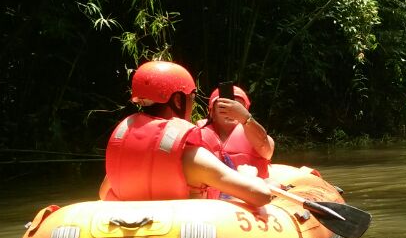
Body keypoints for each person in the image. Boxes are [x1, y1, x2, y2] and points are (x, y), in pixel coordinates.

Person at [100, 60, 273, 207]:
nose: (192, 101)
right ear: (177, 100)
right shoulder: (192, 157)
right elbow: (261, 195)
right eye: (191, 96)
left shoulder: (125, 148)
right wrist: (247, 176)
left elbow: (103, 194)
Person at [197, 83, 275, 181]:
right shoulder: (199, 134)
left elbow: (267, 151)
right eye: (223, 107)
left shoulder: (254, 132)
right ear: (212, 113)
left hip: (254, 188)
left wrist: (245, 118)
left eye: (236, 107)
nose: (230, 111)